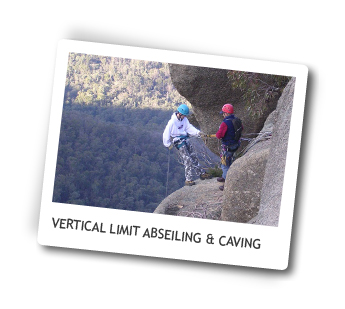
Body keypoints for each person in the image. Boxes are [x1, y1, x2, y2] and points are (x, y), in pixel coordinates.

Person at [163, 104, 212, 186]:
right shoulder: (172, 122)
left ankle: (201, 173)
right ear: (179, 114)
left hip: (185, 138)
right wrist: (167, 144)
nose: (185, 117)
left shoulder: (184, 120)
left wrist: (198, 133)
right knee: (187, 159)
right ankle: (188, 179)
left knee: (193, 156)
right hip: (178, 141)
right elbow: (166, 134)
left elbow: (189, 128)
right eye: (184, 115)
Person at [216, 103, 243, 191]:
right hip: (236, 144)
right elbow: (241, 128)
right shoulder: (236, 120)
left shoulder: (225, 123)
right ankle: (224, 177)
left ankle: (228, 184)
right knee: (229, 161)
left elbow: (219, 135)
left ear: (226, 113)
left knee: (225, 165)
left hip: (228, 146)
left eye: (223, 113)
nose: (223, 115)